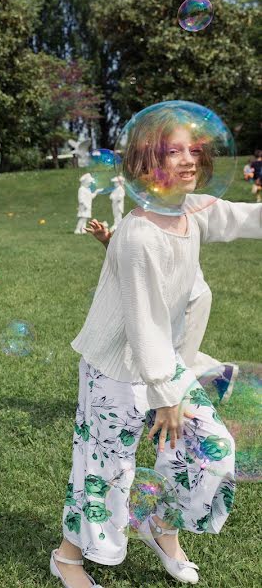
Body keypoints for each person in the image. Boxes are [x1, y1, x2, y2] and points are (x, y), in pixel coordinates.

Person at [52, 109, 262, 588]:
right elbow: (142, 322)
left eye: (194, 150)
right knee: (105, 465)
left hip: (163, 365)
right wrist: (166, 397)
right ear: (148, 164)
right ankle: (67, 558)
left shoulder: (192, 210)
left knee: (213, 451)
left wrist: (168, 386)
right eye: (174, 151)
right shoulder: (138, 234)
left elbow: (249, 217)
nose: (189, 160)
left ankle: (160, 527)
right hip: (117, 368)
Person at [84, 219, 237, 387]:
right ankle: (219, 371)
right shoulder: (134, 221)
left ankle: (185, 399)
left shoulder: (170, 223)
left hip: (190, 300)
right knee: (159, 352)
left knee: (174, 364)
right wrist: (108, 242)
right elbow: (127, 260)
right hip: (164, 302)